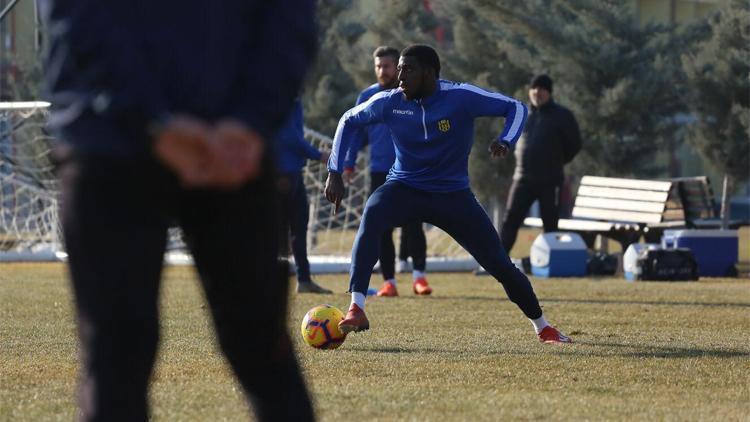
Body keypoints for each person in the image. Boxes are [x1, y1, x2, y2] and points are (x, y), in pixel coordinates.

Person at [40, 0, 317, 420]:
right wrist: (158, 122)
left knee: (259, 347)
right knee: (120, 352)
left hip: (208, 147)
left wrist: (250, 121)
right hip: (119, 141)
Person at [325, 45, 572, 344]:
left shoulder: (460, 97)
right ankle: (357, 307)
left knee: (499, 264)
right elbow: (347, 120)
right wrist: (334, 171)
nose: (399, 77)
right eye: (399, 70)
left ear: (430, 73)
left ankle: (543, 326)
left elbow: (516, 107)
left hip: (452, 196)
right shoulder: (389, 102)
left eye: (408, 70)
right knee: (373, 212)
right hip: (404, 187)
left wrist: (506, 140)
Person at [342, 46, 431, 297]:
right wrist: (348, 163)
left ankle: (419, 277)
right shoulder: (368, 96)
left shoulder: (412, 94)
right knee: (381, 227)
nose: (383, 71)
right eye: (379, 66)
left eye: (388, 66)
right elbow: (355, 131)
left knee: (415, 224)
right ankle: (389, 281)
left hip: (411, 169)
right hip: (379, 170)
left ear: (398, 67)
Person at [500, 74, 582, 253]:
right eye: (534, 88)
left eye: (542, 89)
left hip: (550, 180)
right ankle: (497, 263)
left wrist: (557, 161)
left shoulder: (562, 115)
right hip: (522, 178)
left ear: (549, 93)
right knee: (510, 220)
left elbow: (575, 144)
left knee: (550, 224)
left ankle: (551, 262)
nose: (537, 92)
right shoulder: (523, 114)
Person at [275, 98, 333, 294]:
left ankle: (304, 279)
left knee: (298, 227)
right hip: (281, 173)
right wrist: (319, 155)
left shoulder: (293, 98)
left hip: (293, 172)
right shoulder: (281, 96)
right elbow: (290, 137)